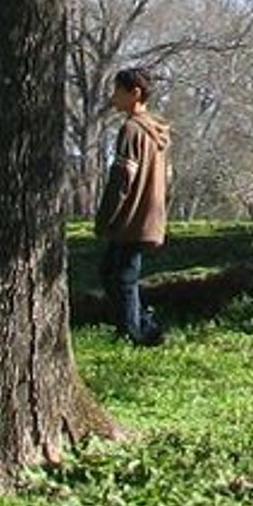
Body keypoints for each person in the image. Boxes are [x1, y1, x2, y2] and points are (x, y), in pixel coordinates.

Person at [96, 63, 171, 346]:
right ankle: (143, 326)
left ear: (135, 93)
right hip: (149, 216)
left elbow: (121, 180)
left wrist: (105, 217)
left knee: (124, 277)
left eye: (118, 91)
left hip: (131, 219)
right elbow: (167, 180)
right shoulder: (157, 132)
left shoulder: (131, 130)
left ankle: (135, 333)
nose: (113, 97)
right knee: (111, 271)